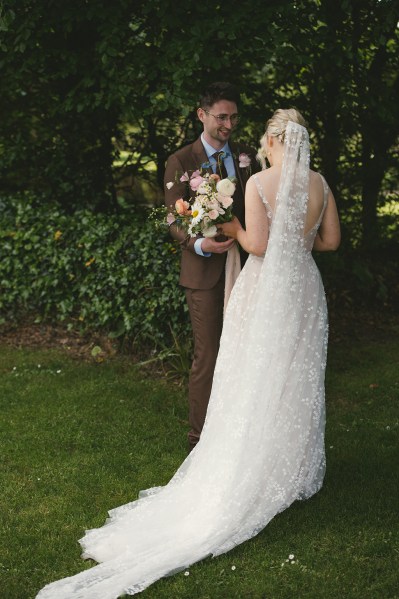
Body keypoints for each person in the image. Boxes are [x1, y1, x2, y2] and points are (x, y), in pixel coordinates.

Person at [35, 108, 340, 599]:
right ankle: (292, 467)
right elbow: (330, 241)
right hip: (305, 286)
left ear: (271, 138)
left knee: (252, 372)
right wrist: (296, 242)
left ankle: (249, 462)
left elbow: (257, 245)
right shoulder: (320, 183)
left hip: (266, 290)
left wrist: (233, 224)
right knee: (294, 374)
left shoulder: (260, 182)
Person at [164, 81, 259, 452]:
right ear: (201, 114)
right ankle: (199, 440)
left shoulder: (247, 155)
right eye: (222, 117)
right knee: (208, 354)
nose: (229, 125)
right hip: (204, 273)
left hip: (249, 265)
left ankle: (239, 430)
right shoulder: (181, 160)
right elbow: (173, 220)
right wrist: (200, 243)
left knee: (246, 349)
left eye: (234, 117)